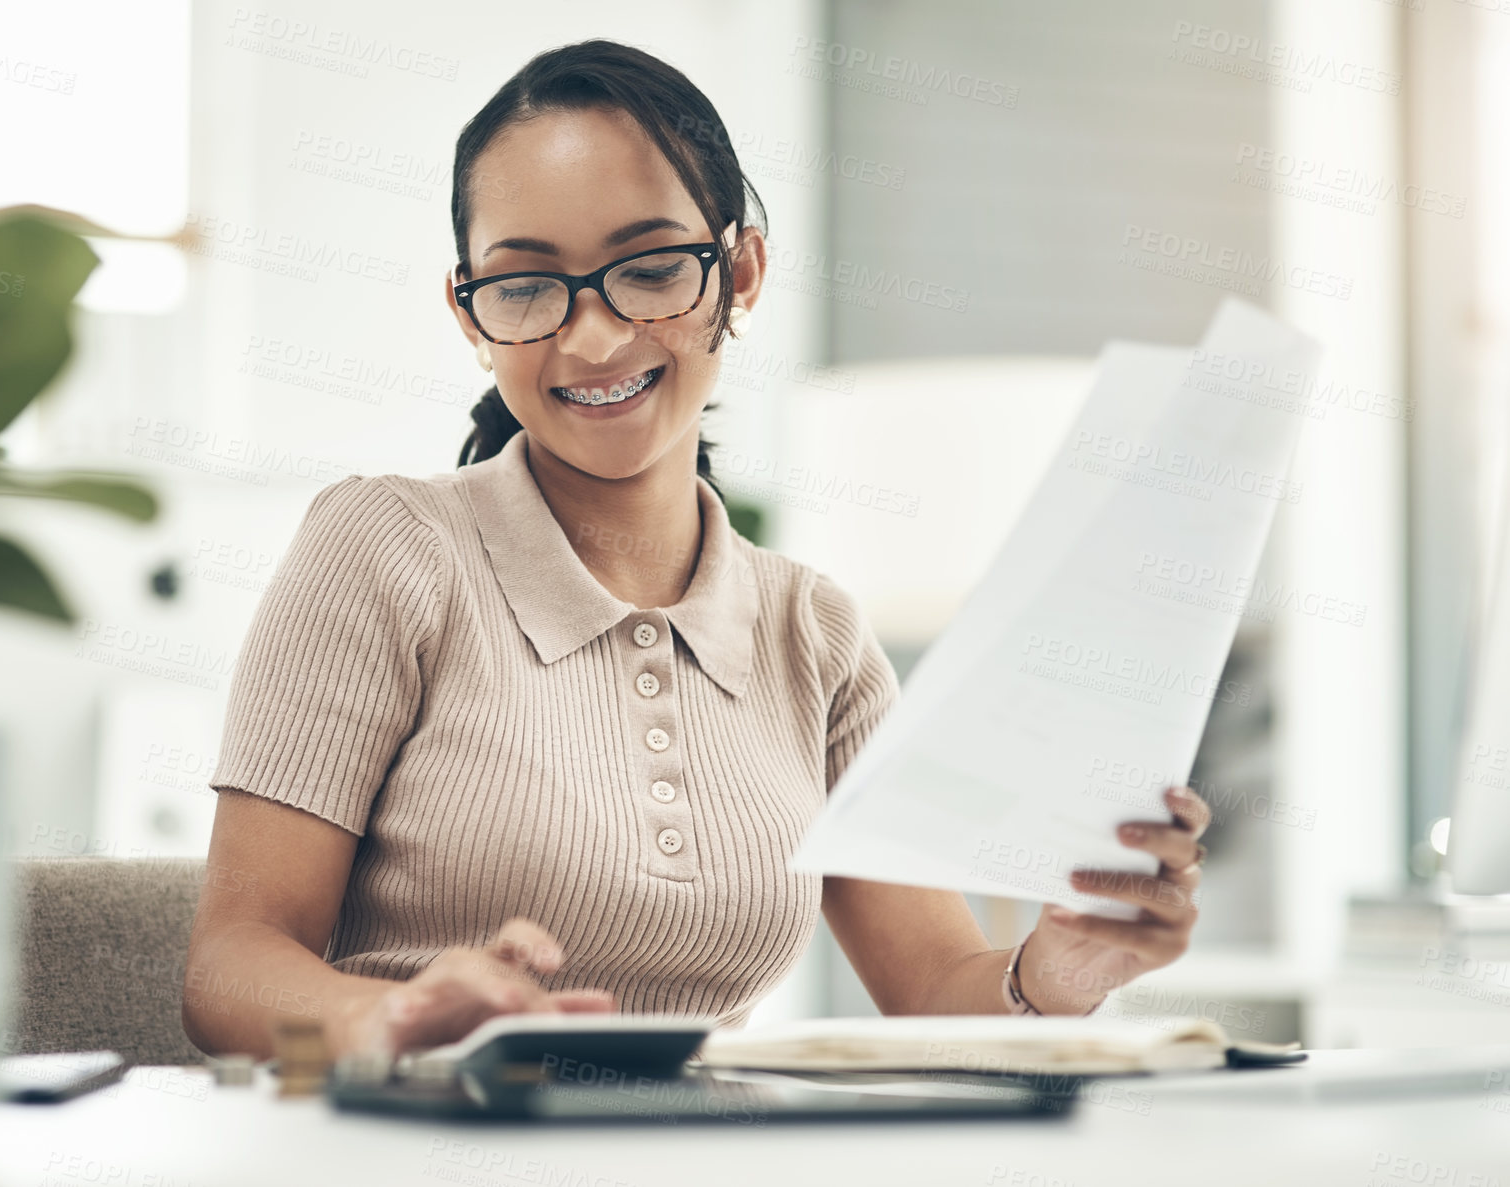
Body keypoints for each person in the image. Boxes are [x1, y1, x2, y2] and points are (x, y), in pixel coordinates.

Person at [182, 38, 1211, 1061]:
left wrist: (1058, 971)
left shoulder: (815, 631)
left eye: (651, 268)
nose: (590, 338)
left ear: (742, 272)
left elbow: (936, 995)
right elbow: (228, 966)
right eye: (527, 285)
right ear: (470, 315)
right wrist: (385, 1020)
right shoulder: (387, 548)